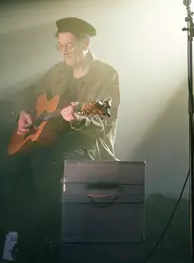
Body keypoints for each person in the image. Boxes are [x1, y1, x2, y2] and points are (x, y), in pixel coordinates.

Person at [8, 17, 120, 262]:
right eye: (60, 46)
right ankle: (25, 238)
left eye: (69, 46)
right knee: (18, 163)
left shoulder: (107, 74)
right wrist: (24, 112)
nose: (64, 52)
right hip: (53, 141)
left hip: (90, 145)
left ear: (85, 44)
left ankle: (49, 238)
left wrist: (79, 119)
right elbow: (29, 91)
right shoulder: (58, 71)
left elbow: (104, 120)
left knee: (48, 158)